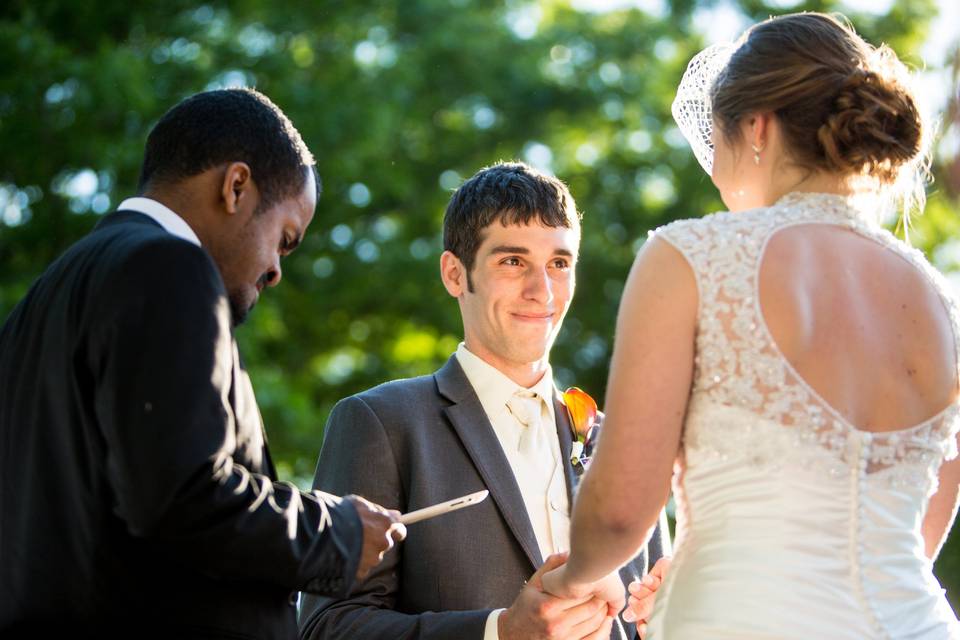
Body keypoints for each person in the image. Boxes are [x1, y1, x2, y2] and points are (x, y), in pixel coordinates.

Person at [541, 12, 960, 639]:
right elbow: (924, 518)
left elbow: (622, 511)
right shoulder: (939, 297)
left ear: (757, 126)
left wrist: (565, 583)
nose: (715, 167)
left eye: (716, 138)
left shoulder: (692, 257)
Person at [0, 88, 404, 638]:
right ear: (236, 187)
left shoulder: (41, 302)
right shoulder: (168, 266)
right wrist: (337, 529)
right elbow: (184, 497)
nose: (277, 271)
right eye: (285, 240)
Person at [298, 161, 669, 640]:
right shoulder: (381, 423)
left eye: (559, 263)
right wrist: (499, 632)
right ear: (455, 274)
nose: (543, 291)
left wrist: (670, 620)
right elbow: (327, 627)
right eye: (513, 261)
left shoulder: (624, 444)